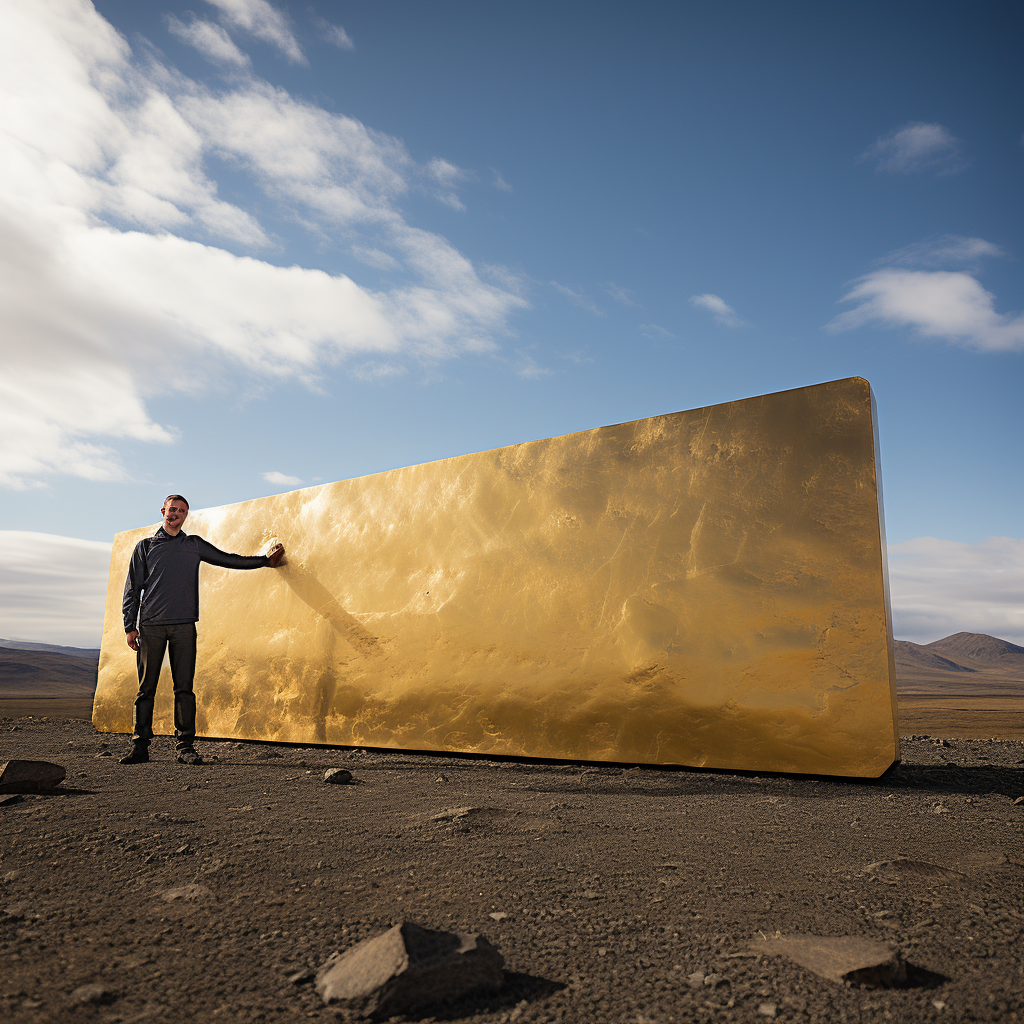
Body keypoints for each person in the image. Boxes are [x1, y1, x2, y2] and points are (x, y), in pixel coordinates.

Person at [119, 494, 285, 766]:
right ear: (163, 511)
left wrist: (264, 561)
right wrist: (130, 626)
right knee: (145, 688)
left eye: (181, 511)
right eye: (172, 509)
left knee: (184, 688)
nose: (175, 514)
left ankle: (185, 748)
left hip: (184, 626)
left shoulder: (193, 545)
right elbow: (132, 589)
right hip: (150, 626)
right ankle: (140, 747)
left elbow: (227, 559)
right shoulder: (145, 547)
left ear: (185, 516)